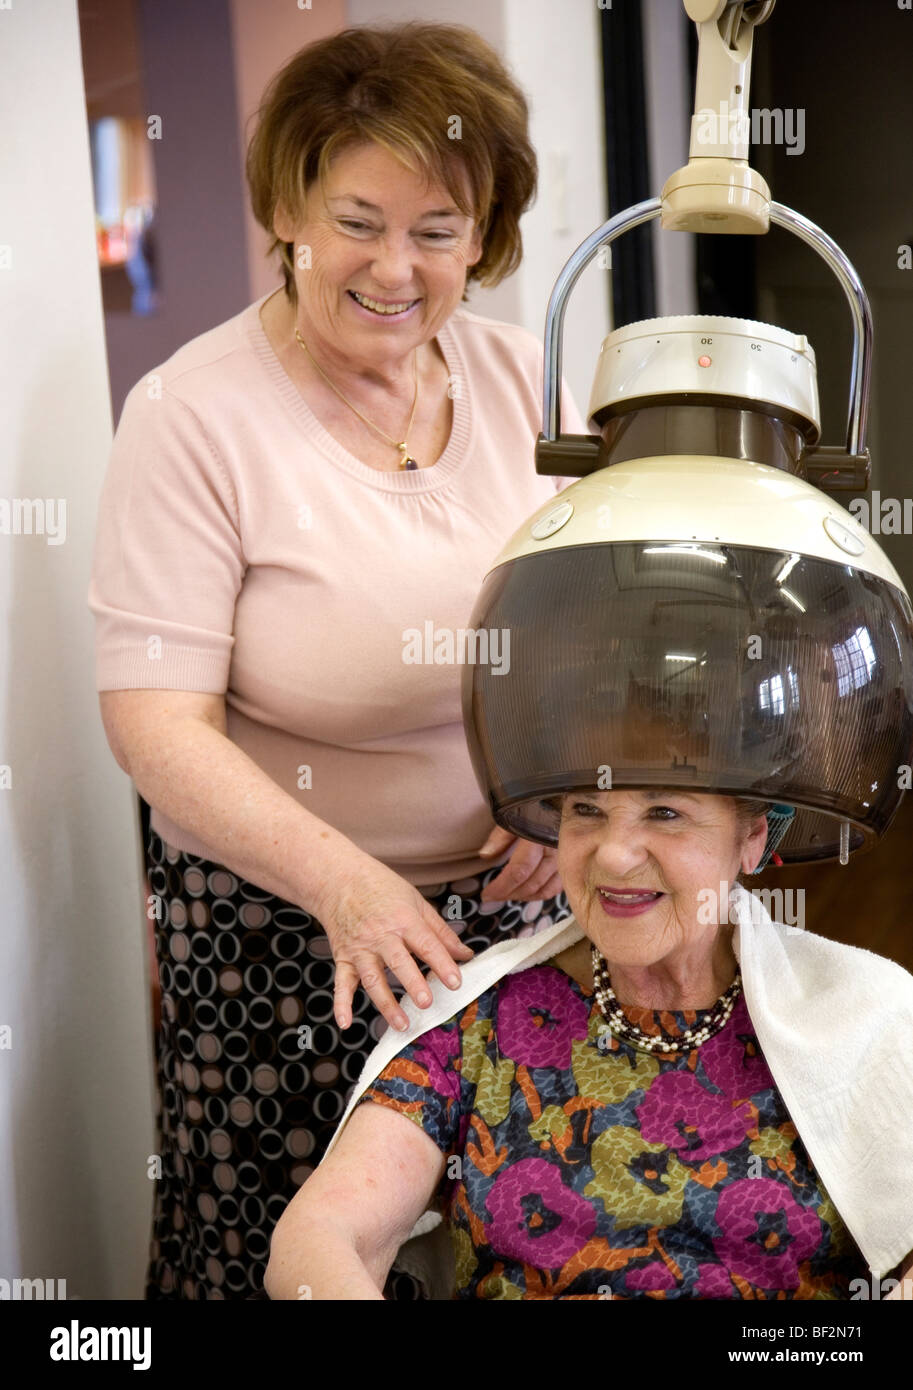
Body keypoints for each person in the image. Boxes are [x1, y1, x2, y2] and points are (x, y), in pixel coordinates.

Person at [88, 22, 591, 1300]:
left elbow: (601, 623)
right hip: (280, 928)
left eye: (436, 228)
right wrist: (348, 889)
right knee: (289, 1254)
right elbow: (156, 724)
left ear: (484, 236)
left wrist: (563, 786)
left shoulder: (527, 376)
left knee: (524, 1244)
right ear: (286, 213)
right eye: (356, 219)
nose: (393, 265)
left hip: (518, 912)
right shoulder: (190, 415)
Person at [264, 789, 913, 1300]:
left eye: (664, 813)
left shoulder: (863, 1013)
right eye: (586, 812)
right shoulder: (476, 1018)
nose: (613, 855)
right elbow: (320, 1234)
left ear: (750, 836)